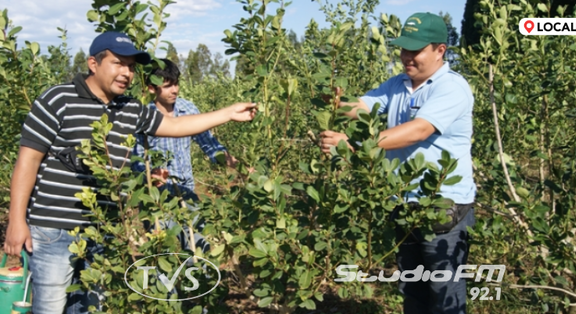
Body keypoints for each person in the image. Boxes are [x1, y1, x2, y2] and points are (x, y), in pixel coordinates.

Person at [2, 31, 256, 314]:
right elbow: (28, 160)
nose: (127, 73)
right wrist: (16, 220)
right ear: (93, 64)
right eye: (118, 63)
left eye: (132, 67)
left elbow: (175, 126)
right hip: (53, 230)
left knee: (90, 308)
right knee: (49, 308)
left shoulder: (129, 109)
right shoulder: (59, 99)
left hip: (102, 231)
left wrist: (228, 112)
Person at [319, 12, 476, 314]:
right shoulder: (397, 84)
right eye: (404, 49)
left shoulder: (451, 87)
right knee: (413, 292)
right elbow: (362, 107)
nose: (406, 56)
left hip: (443, 209)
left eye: (415, 50)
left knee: (444, 296)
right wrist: (333, 96)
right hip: (404, 206)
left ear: (440, 50)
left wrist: (352, 147)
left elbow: (418, 130)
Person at [132, 58, 239, 202]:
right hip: (158, 197)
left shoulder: (187, 109)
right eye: (168, 86)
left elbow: (209, 143)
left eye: (176, 84)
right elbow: (135, 160)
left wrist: (238, 165)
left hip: (187, 189)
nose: (175, 90)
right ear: (152, 88)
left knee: (197, 224)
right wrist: (150, 175)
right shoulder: (144, 116)